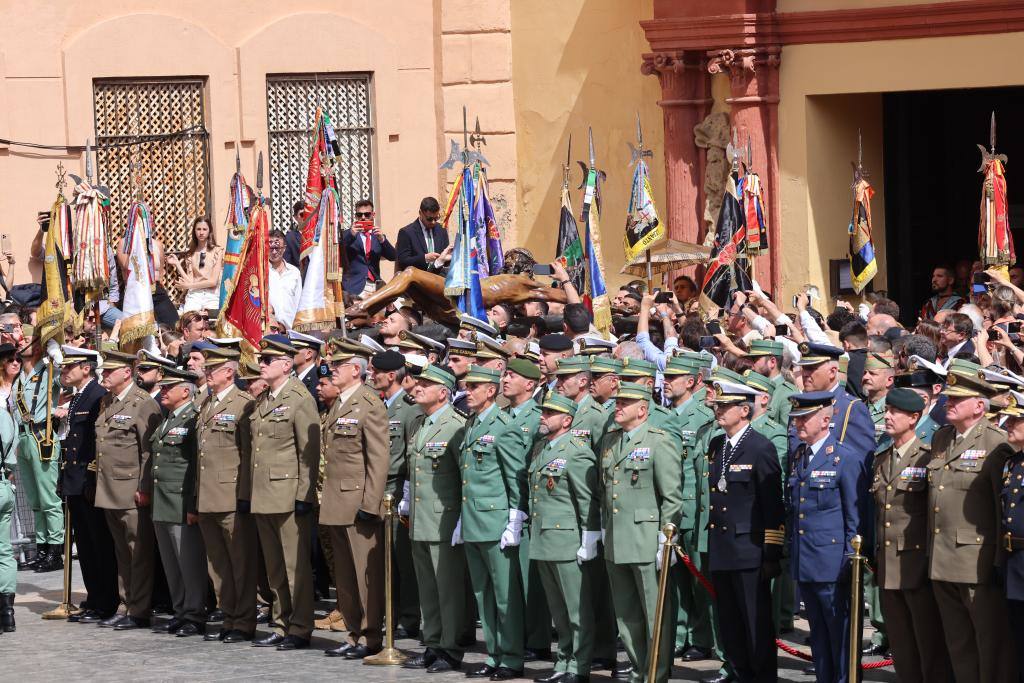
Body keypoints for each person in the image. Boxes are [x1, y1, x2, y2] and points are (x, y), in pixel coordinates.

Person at [927, 359, 1016, 681]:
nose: (948, 402)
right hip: (942, 558)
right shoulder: (941, 439)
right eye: (948, 396)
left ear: (979, 405)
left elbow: (1000, 507)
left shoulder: (996, 442)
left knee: (990, 644)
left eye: (957, 398)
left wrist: (997, 560)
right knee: (958, 643)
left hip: (976, 561)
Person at [599, 381, 683, 683]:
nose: (618, 407)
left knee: (653, 614)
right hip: (616, 539)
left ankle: (656, 673)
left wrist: (666, 538)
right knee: (626, 615)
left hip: (647, 540)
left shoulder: (659, 441)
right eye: (617, 402)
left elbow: (672, 496)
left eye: (625, 403)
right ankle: (637, 669)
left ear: (643, 409)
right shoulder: (610, 442)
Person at [459, 358, 537, 680]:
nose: (468, 392)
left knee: (506, 597)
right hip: (474, 520)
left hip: (496, 523)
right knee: (483, 595)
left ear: (490, 391)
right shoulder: (473, 423)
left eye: (474, 387)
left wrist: (515, 520)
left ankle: (512, 657)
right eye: (467, 386)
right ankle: (494, 654)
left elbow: (515, 477)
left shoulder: (503, 427)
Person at [705, 380, 784, 683]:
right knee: (730, 624)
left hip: (749, 550)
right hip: (723, 548)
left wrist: (771, 553)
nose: (719, 411)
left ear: (744, 409)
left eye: (725, 406)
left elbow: (772, 505)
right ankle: (740, 674)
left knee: (755, 625)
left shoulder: (760, 447)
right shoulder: (717, 446)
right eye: (718, 405)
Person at [871, 387, 951, 683]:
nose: (888, 417)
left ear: (914, 418)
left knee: (927, 643)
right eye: (887, 410)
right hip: (888, 565)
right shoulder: (882, 457)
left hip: (916, 564)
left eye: (895, 412)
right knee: (901, 643)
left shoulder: (926, 458)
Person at [787, 391, 866, 683]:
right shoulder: (799, 457)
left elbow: (854, 517)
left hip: (834, 564)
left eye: (804, 418)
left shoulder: (843, 459)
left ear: (825, 418)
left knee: (840, 636)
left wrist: (849, 559)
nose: (798, 424)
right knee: (818, 637)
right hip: (806, 561)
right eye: (796, 419)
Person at [249, 334, 321, 650]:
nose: (260, 364)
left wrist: (305, 495)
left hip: (288, 494)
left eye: (267, 360)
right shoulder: (265, 399)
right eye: (261, 359)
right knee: (274, 567)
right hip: (263, 492)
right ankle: (281, 623)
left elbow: (310, 452)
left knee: (295, 568)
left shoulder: (299, 398)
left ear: (285, 363)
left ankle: (300, 627)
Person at [319, 346, 388, 659]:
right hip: (335, 500)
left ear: (356, 370)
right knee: (344, 576)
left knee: (363, 574)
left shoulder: (368, 404)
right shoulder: (340, 404)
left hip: (358, 501)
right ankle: (352, 632)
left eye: (339, 364)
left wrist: (371, 504)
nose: (332, 368)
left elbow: (377, 459)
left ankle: (370, 635)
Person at [528, 393, 601, 683]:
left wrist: (588, 538)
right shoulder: (541, 448)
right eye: (543, 411)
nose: (543, 416)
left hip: (568, 539)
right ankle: (563, 663)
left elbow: (586, 500)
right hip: (544, 539)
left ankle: (579, 666)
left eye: (550, 412)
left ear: (567, 420)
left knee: (576, 610)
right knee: (558, 611)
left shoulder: (577, 451)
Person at [400, 364, 468, 673]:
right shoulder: (421, 423)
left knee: (447, 588)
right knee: (428, 587)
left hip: (444, 519)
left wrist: (461, 519)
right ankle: (433, 642)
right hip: (420, 518)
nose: (417, 387)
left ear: (443, 393)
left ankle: (450, 648)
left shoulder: (455, 425)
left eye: (426, 384)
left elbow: (463, 476)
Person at [93, 349, 163, 630]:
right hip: (109, 488)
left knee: (139, 552)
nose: (104, 375)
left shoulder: (142, 403)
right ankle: (126, 602)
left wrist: (144, 487)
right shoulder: (108, 401)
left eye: (109, 371)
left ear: (126, 372)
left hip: (132, 489)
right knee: (123, 552)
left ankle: (139, 609)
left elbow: (149, 451)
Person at [194, 345, 257, 643]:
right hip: (207, 495)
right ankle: (229, 614)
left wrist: (245, 496)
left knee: (240, 563)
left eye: (212, 369)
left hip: (231, 495)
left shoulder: (243, 403)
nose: (206, 373)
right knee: (217, 564)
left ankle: (244, 621)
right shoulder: (207, 403)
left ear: (229, 372)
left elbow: (247, 453)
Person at [57, 346, 118, 624]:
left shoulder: (97, 397)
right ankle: (94, 598)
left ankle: (105, 601)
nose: (64, 371)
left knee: (98, 544)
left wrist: (92, 479)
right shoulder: (78, 397)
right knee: (85, 545)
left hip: (88, 480)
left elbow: (95, 444)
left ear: (86, 368)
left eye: (70, 367)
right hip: (75, 479)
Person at [369, 350, 422, 637]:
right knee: (382, 559)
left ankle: (409, 617)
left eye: (376, 371)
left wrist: (406, 494)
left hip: (396, 489)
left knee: (402, 559)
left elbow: (411, 454)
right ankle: (391, 611)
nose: (371, 376)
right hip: (375, 489)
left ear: (391, 375)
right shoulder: (377, 404)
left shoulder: (410, 408)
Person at [150, 367, 206, 638]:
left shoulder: (193, 419)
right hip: (163, 501)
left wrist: (194, 504)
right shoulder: (168, 418)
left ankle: (194, 614)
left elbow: (195, 465)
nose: (162, 392)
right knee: (172, 563)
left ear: (185, 391)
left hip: (181, 501)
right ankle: (181, 609)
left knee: (189, 562)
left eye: (167, 388)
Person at [13, 333, 65, 573]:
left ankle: (55, 550)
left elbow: (66, 380)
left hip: (40, 436)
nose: (21, 340)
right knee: (35, 500)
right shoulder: (18, 378)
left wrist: (57, 354)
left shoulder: (48, 370)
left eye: (27, 338)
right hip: (23, 438)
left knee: (48, 499)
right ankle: (42, 549)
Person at [166, 217, 224, 314]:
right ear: (194, 231)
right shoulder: (190, 254)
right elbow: (190, 280)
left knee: (212, 321)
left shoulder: (217, 251)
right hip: (195, 295)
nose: (201, 232)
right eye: (198, 229)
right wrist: (177, 264)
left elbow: (213, 281)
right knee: (189, 319)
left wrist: (189, 285)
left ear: (209, 231)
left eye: (204, 229)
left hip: (212, 294)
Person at [341, 199, 396, 296]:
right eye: (359, 215)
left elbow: (393, 256)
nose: (363, 218)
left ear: (373, 215)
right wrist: (350, 235)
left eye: (367, 215)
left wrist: (382, 239)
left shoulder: (377, 236)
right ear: (355, 216)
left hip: (375, 285)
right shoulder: (347, 234)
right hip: (354, 286)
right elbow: (339, 252)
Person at [0, 370, 17, 633]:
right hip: (3, 482)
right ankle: (7, 613)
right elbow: (11, 451)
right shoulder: (3, 414)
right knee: (4, 550)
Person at [395, 197, 452, 273]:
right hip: (417, 280)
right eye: (429, 219)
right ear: (420, 213)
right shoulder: (406, 232)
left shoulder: (441, 230)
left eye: (436, 218)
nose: (433, 222)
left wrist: (449, 257)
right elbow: (403, 262)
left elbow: (446, 259)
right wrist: (425, 258)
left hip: (439, 279)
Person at [267, 229, 303, 329]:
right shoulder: (262, 272)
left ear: (284, 249)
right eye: (270, 248)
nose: (274, 252)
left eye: (277, 248)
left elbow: (298, 302)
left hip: (290, 330)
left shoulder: (294, 272)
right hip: (269, 330)